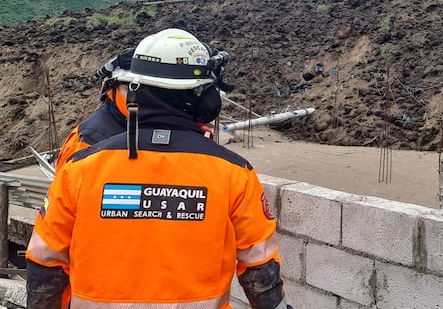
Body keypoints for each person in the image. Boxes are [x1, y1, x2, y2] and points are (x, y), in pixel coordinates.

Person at [26, 28, 290, 309]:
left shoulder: (80, 169)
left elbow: (45, 264)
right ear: (201, 97)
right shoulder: (234, 173)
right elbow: (260, 273)